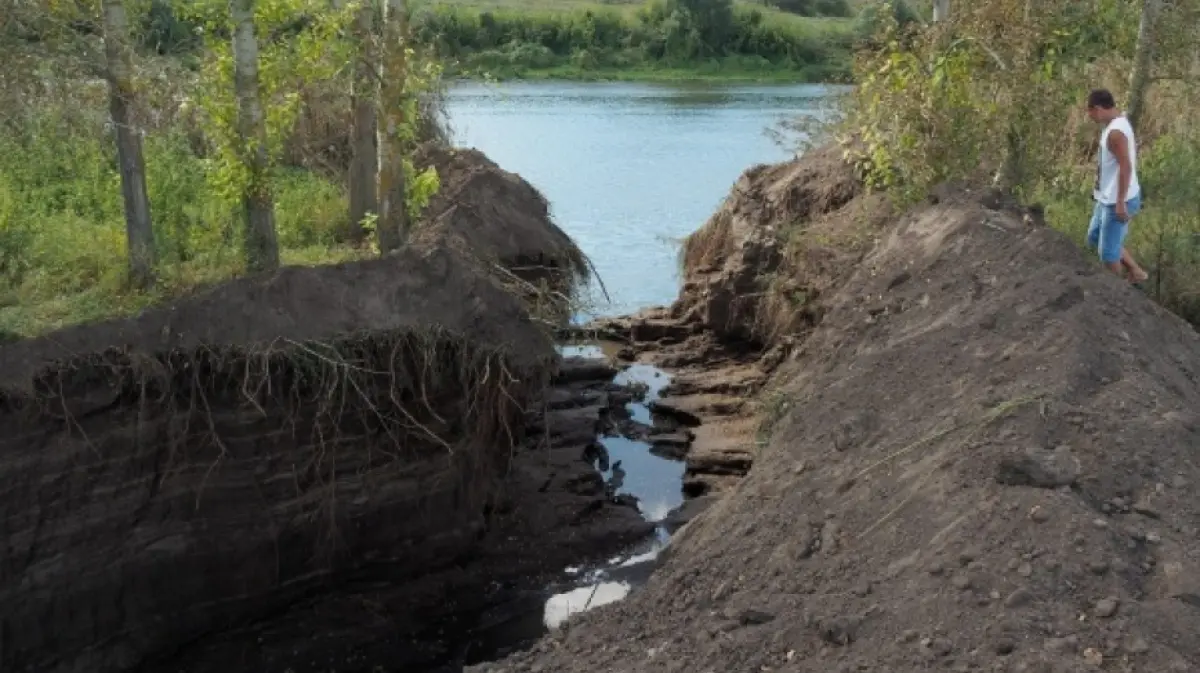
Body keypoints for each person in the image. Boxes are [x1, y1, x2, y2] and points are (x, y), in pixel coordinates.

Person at [1084, 88, 1148, 284]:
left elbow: (1126, 167)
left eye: (1090, 112)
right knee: (1094, 236)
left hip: (1118, 199)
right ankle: (1136, 272)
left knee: (1108, 253)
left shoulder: (1115, 133)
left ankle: (1118, 294)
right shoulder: (1114, 123)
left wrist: (1120, 202)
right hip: (1107, 196)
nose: (1090, 116)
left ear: (1098, 108)